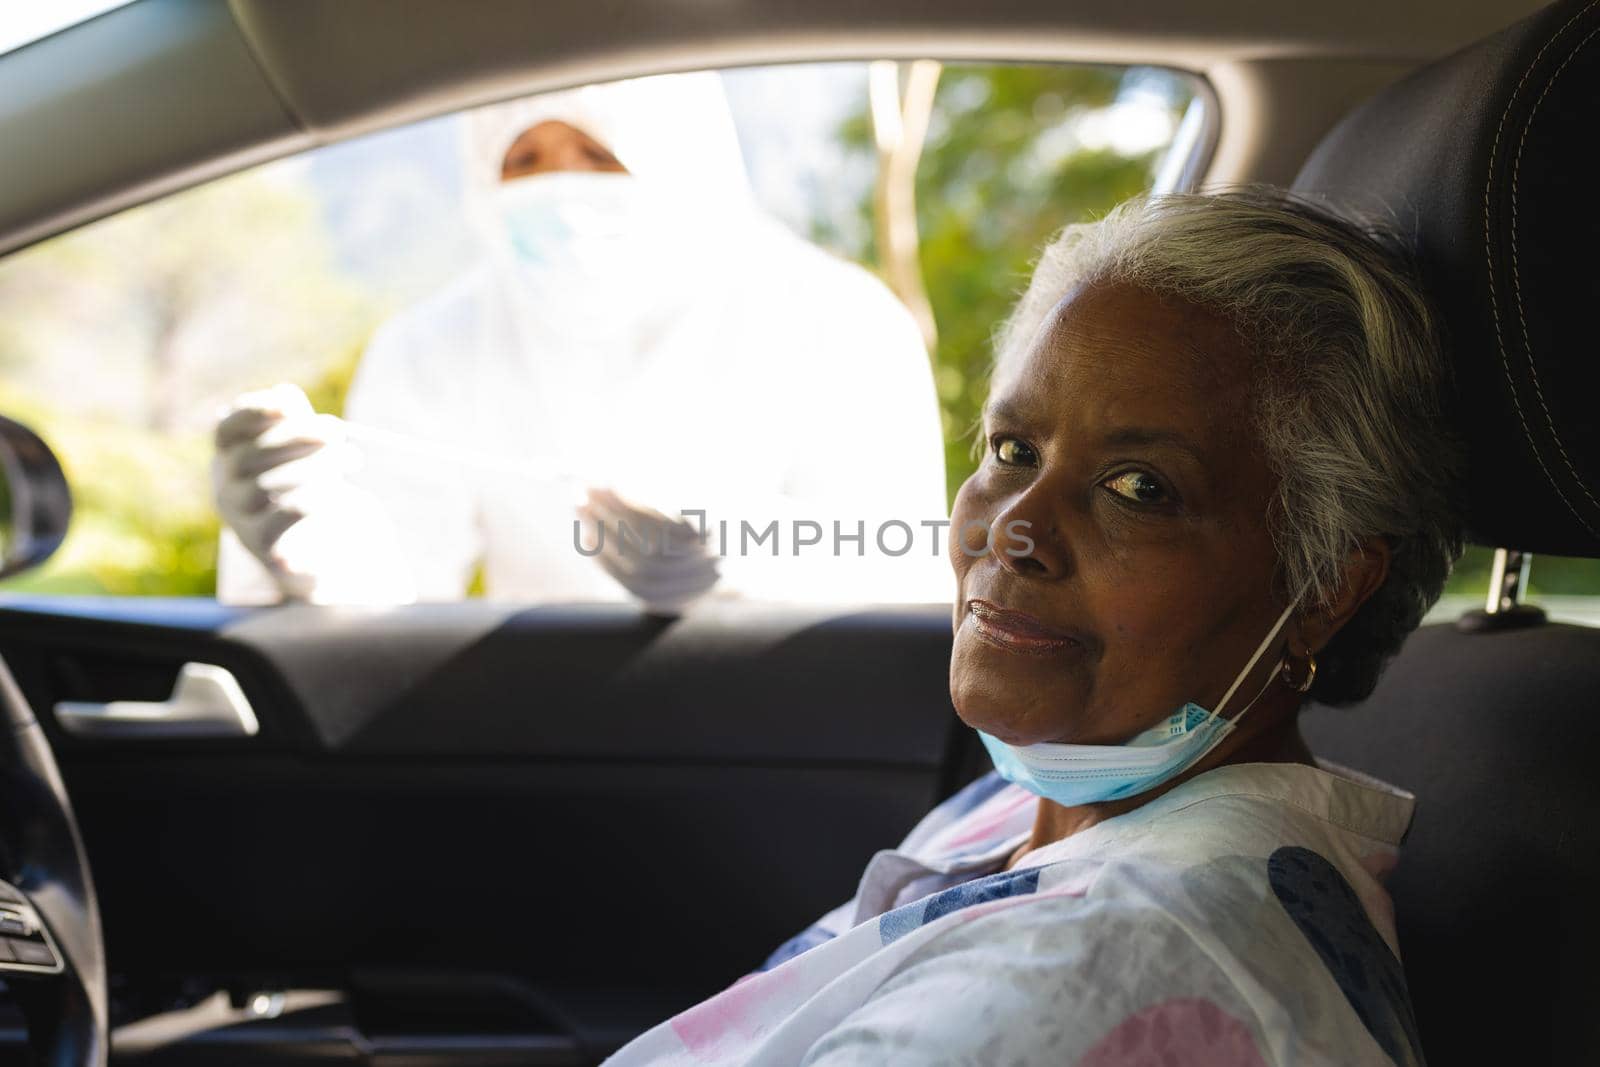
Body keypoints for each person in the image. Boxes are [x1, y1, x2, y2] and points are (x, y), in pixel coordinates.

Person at [602, 189, 1461, 1065]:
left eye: (1139, 488)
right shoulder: (1041, 803)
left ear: (1323, 588)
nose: (1015, 532)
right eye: (1013, 450)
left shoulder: (1101, 967)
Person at [212, 72, 949, 610]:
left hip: (791, 745)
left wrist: (740, 555)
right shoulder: (435, 345)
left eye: (597, 154)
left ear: (679, 152)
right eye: (523, 159)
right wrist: (305, 537)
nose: (560, 191)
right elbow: (397, 585)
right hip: (541, 738)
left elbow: (908, 564)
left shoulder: (837, 316)